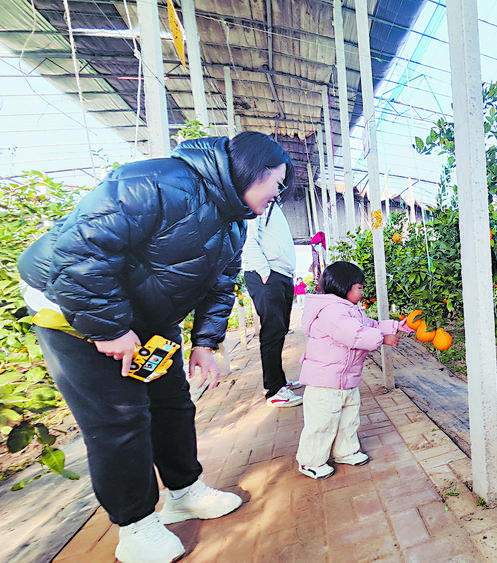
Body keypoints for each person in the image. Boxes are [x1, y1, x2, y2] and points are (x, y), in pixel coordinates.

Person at [17, 131, 294, 563]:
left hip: (149, 319)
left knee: (171, 403)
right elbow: (75, 253)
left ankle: (184, 491)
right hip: (74, 312)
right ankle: (137, 528)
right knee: (120, 418)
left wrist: (205, 341)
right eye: (275, 184)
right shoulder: (156, 183)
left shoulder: (234, 221)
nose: (277, 194)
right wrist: (108, 329)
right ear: (251, 172)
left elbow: (222, 285)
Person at [295, 261, 413, 479]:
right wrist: (383, 339)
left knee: (348, 417)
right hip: (325, 381)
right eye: (359, 287)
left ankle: (345, 450)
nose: (362, 291)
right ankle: (310, 461)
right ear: (344, 287)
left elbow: (369, 325)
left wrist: (395, 326)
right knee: (322, 422)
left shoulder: (350, 310)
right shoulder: (331, 311)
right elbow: (355, 335)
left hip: (345, 379)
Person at [242, 193, 301, 407]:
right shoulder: (255, 200)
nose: (280, 186)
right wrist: (264, 271)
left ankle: (279, 381)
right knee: (272, 331)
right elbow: (248, 239)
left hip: (280, 273)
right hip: (267, 273)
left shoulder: (274, 206)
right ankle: (274, 390)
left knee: (280, 329)